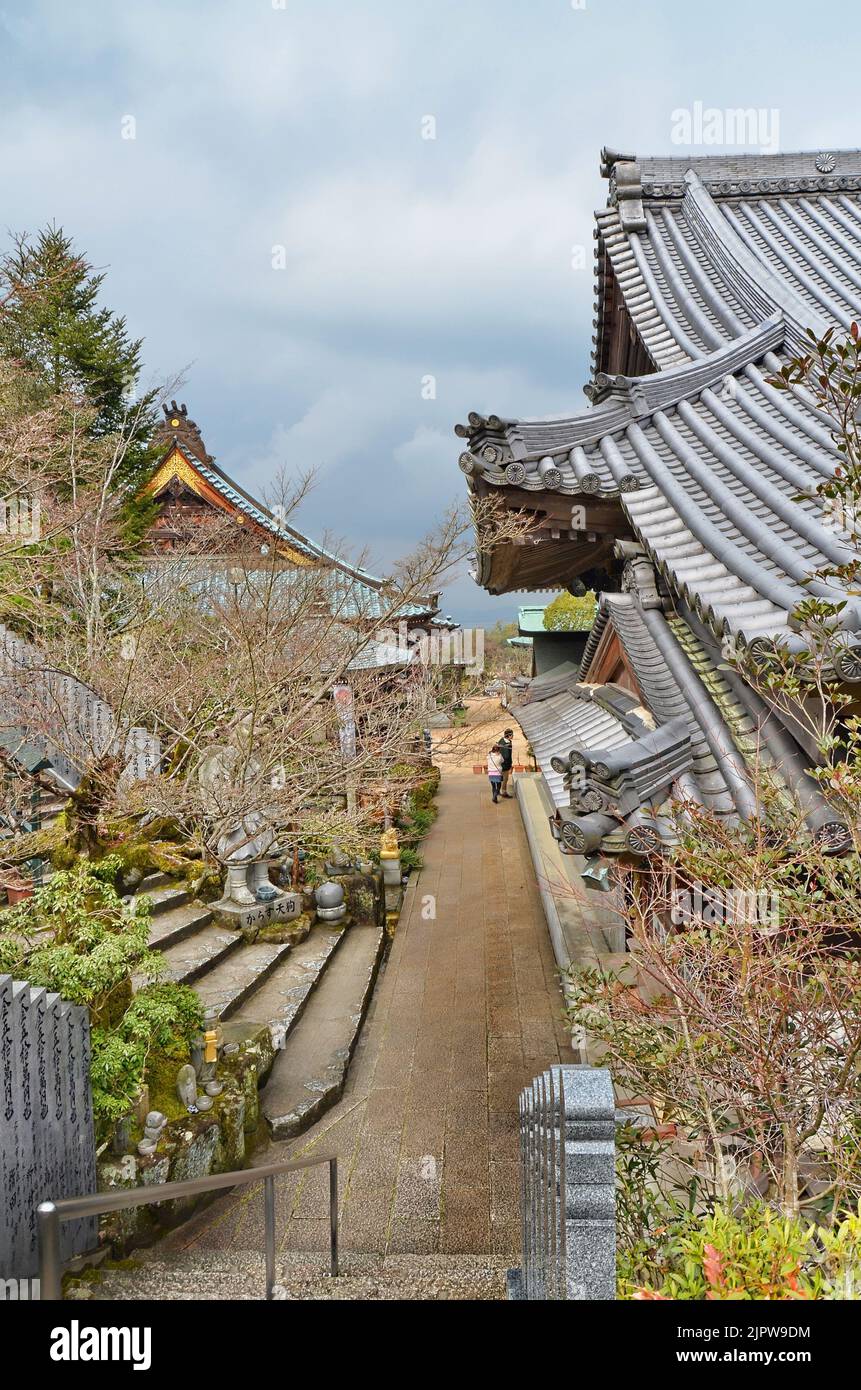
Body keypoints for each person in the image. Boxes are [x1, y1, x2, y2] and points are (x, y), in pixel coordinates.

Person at [498, 728, 514, 797]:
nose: (513, 736)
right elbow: (507, 756)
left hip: (499, 762)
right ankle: (503, 792)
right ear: (509, 735)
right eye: (512, 735)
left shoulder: (501, 740)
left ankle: (498, 791)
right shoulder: (507, 744)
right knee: (505, 778)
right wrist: (509, 763)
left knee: (500, 778)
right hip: (505, 764)